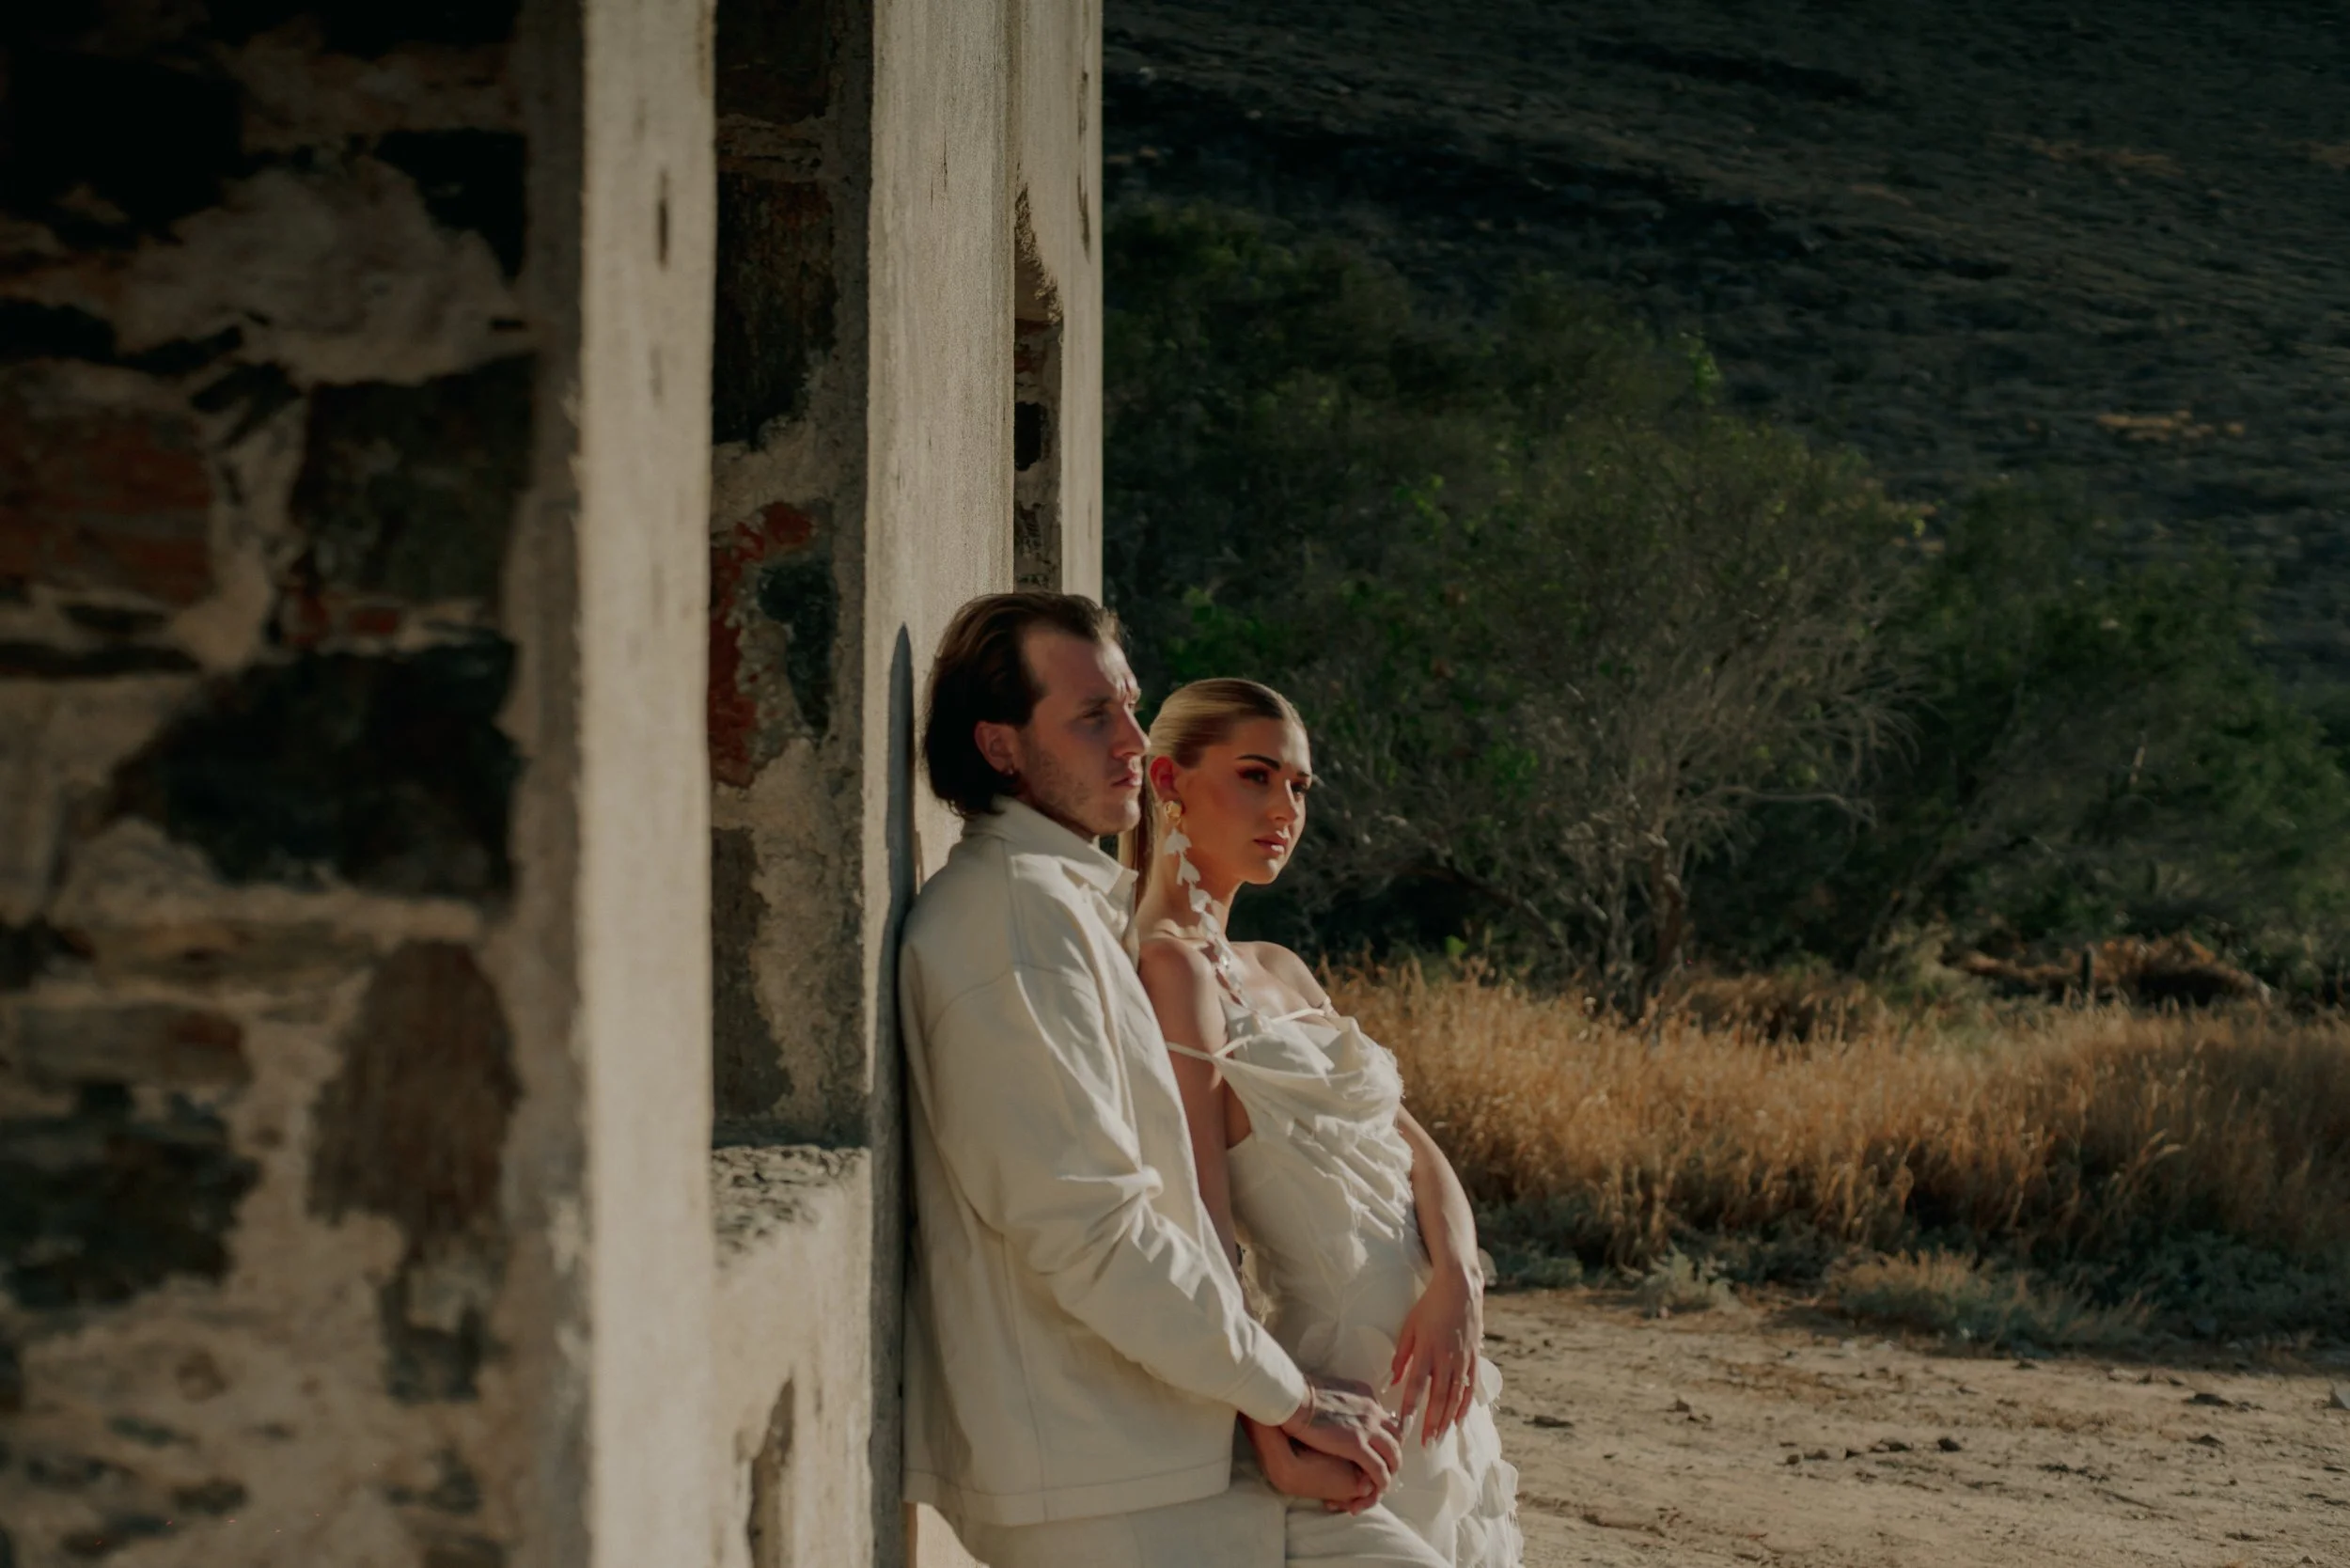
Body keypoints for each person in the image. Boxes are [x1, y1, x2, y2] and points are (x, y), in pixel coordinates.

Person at [899, 591, 1448, 1568]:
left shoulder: (1069, 907)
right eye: (1091, 716)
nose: (1130, 739)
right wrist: (1286, 1396)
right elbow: (1091, 1229)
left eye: (1129, 706)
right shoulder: (1014, 927)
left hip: (1169, 1440)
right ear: (999, 746)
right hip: (1105, 1477)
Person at [1125, 678, 1523, 1567]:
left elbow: (1416, 1148)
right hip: (1338, 1376)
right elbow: (1203, 1222)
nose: (1286, 809)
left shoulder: (1283, 967)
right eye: (1256, 775)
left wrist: (1459, 1279)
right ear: (1168, 780)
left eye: (1299, 786)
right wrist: (1271, 1421)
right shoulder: (1169, 971)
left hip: (1434, 1358)